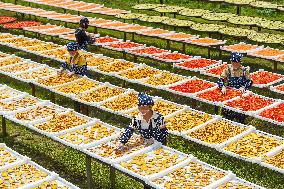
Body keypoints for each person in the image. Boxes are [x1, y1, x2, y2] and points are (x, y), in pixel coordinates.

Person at [217, 52, 253, 123]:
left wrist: (243, 87)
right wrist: (223, 86)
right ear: (231, 62)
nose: (235, 64)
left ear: (240, 62)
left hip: (241, 92)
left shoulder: (244, 70)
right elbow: (220, 79)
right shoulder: (228, 69)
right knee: (228, 108)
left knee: (240, 109)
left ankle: (241, 121)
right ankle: (228, 120)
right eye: (233, 62)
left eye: (237, 63)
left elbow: (250, 81)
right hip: (231, 91)